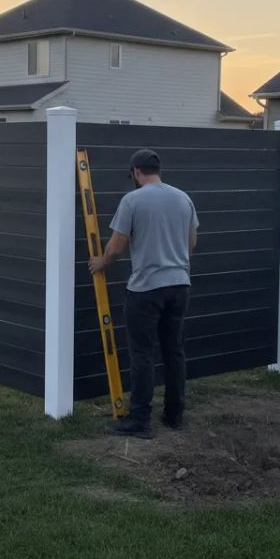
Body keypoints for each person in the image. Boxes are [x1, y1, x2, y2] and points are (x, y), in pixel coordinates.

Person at [88, 149, 199, 438]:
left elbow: (115, 247)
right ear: (157, 169)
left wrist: (101, 263)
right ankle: (175, 416)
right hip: (179, 285)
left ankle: (140, 421)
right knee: (174, 352)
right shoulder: (183, 198)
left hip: (146, 289)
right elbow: (191, 243)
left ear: (136, 172)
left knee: (142, 355)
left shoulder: (133, 200)